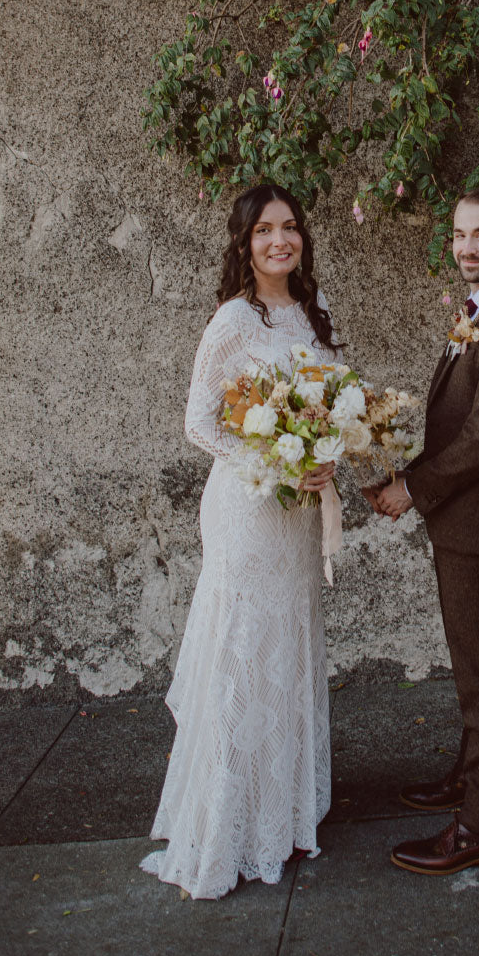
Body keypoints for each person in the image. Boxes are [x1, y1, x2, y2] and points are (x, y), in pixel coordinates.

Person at [140, 183, 338, 900]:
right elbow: (200, 422)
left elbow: (330, 409)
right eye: (264, 231)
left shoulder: (314, 316)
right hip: (247, 509)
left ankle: (278, 813)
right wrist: (277, 460)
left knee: (286, 647)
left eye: (290, 228)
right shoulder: (230, 321)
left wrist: (325, 456)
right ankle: (224, 823)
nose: (279, 241)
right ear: (244, 243)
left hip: (296, 514)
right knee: (243, 649)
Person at [364, 186, 479, 875]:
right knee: (473, 666)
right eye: (459, 234)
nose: (468, 247)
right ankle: (474, 778)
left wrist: (411, 488)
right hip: (462, 518)